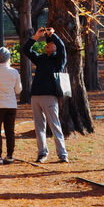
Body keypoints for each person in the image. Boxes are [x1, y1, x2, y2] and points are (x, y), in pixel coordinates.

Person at [22, 27, 69, 163]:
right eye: (47, 44)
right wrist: (36, 37)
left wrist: (52, 34)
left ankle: (62, 154)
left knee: (54, 125)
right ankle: (42, 153)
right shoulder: (41, 59)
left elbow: (62, 47)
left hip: (50, 96)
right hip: (36, 96)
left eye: (50, 44)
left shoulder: (59, 60)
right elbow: (26, 50)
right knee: (39, 126)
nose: (48, 45)